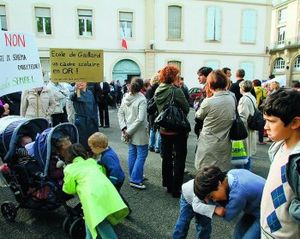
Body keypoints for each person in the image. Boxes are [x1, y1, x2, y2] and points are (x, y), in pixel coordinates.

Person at [173, 166, 265, 239]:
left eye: (212, 197)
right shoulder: (231, 174)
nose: (214, 200)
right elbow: (196, 205)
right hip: (188, 199)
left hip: (268, 212)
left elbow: (228, 215)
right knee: (183, 223)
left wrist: (213, 207)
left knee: (205, 226)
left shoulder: (238, 194)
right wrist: (214, 207)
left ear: (219, 184)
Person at [62, 143, 129, 239]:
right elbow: (102, 172)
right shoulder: (92, 161)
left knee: (101, 223)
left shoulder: (69, 169)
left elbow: (69, 189)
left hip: (92, 197)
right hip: (107, 190)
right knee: (91, 219)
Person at [260, 88, 300, 238]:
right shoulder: (278, 146)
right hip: (268, 230)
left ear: (295, 122)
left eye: (271, 121)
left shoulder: (297, 161)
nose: (265, 127)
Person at [155, 65, 190, 197]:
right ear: (173, 77)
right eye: (177, 76)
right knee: (180, 158)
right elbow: (186, 108)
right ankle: (176, 188)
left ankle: (168, 184)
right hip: (177, 130)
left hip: (164, 129)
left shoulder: (158, 89)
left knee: (167, 158)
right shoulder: (176, 91)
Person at [194, 70, 235, 171]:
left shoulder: (209, 102)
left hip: (209, 141)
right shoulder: (232, 98)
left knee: (206, 171)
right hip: (225, 139)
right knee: (221, 170)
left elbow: (198, 115)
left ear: (210, 84)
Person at [118, 77, 149, 189]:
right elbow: (141, 119)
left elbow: (120, 113)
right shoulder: (142, 99)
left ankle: (135, 175)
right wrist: (129, 131)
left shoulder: (125, 97)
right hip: (139, 131)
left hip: (127, 129)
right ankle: (135, 179)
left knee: (132, 153)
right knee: (141, 154)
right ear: (142, 87)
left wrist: (124, 128)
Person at [69, 82, 99, 150]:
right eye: (79, 81)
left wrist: (96, 120)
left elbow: (94, 107)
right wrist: (76, 90)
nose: (81, 83)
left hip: (91, 120)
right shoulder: (76, 93)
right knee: (82, 141)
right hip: (81, 121)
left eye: (83, 81)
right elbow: (72, 97)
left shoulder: (90, 93)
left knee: (92, 140)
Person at [237, 80, 257, 170]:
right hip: (252, 126)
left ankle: (244, 172)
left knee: (243, 152)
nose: (239, 89)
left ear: (243, 88)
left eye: (240, 87)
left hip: (245, 128)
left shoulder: (244, 99)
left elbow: (243, 116)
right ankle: (247, 170)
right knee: (248, 152)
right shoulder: (252, 97)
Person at [194, 67, 213, 138]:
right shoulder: (206, 87)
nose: (198, 78)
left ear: (208, 76)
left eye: (200, 75)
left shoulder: (208, 89)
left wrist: (197, 103)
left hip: (205, 125)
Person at [146, 73, 161, 153]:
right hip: (158, 111)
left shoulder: (149, 89)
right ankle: (157, 147)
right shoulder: (160, 88)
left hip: (152, 112)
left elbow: (148, 102)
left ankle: (151, 145)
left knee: (152, 129)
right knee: (158, 129)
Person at [252, 79, 267, 145]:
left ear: (254, 84)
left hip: (252, 107)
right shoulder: (263, 89)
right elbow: (265, 97)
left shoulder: (251, 89)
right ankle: (260, 140)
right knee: (261, 125)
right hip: (260, 109)